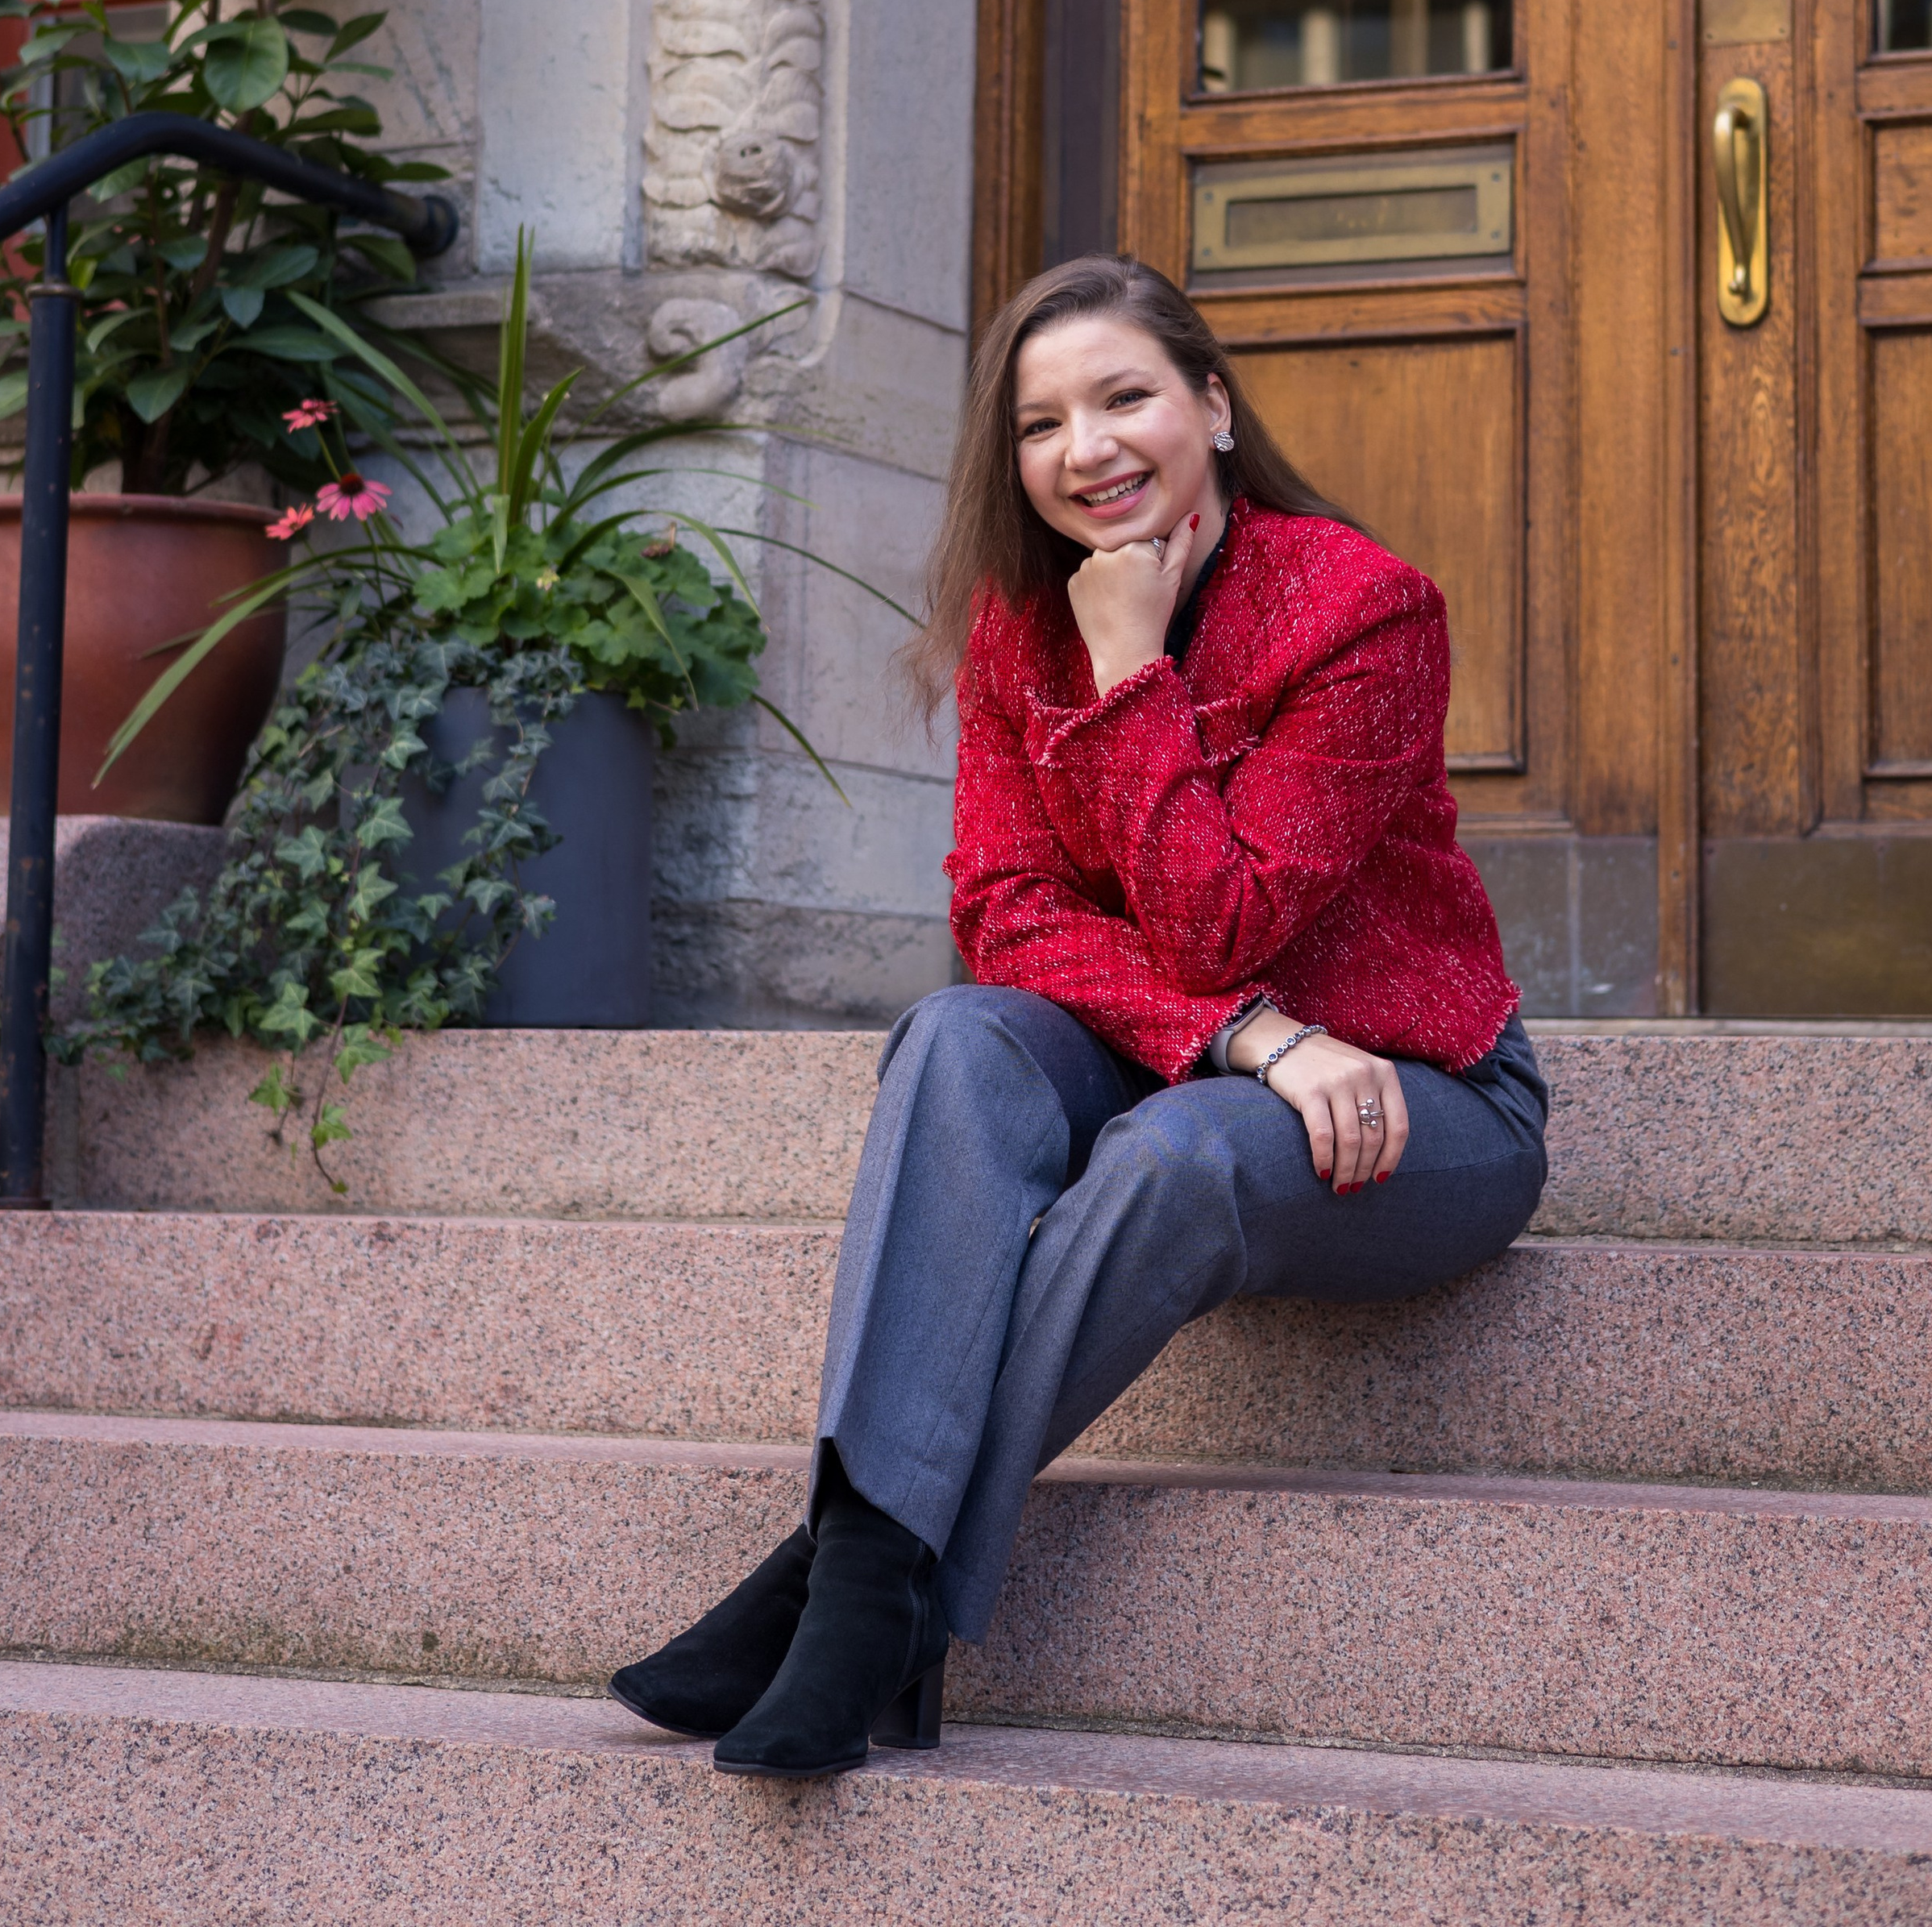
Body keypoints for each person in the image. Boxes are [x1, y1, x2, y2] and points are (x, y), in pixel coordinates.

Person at [609, 253, 1547, 1779]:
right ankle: (868, 1597)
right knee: (960, 1037)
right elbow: (1006, 917)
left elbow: (1221, 917)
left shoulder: (1362, 610)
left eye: (1126, 399)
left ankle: (841, 1581)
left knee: (1182, 1155)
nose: (1088, 450)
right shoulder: (1013, 627)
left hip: (1423, 1103)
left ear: (1215, 408)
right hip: (1229, 1062)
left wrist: (1128, 670)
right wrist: (1251, 1039)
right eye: (1043, 424)